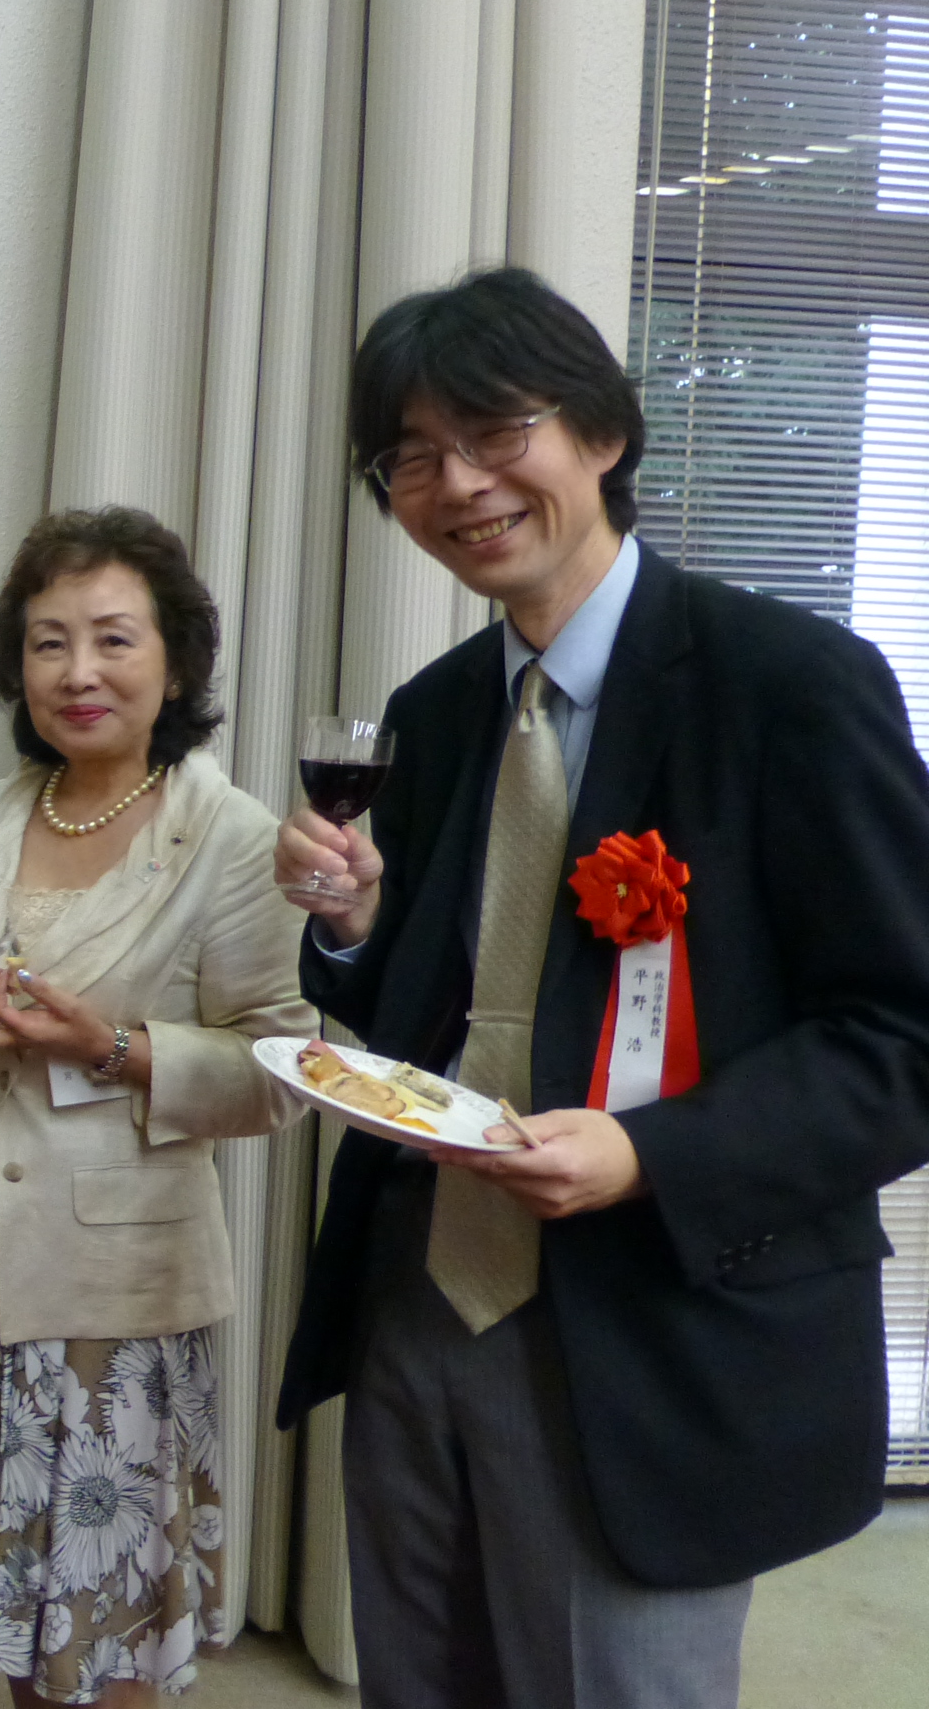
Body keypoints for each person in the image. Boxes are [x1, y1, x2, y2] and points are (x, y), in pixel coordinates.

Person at [273, 266, 929, 1708]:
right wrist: (356, 928)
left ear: (603, 432)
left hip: (655, 1316)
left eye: (495, 432)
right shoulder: (440, 712)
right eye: (412, 457)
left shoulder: (787, 685)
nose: (459, 484)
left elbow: (904, 1037)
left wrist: (650, 1155)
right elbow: (432, 1025)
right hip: (419, 1293)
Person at [0, 506, 311, 1708]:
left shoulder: (230, 837)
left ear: (175, 663)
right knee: (20, 1600)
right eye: (48, 642)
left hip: (111, 1285)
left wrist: (106, 1045)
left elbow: (280, 1068)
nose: (78, 672)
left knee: (101, 1605)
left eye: (113, 639)